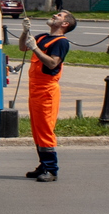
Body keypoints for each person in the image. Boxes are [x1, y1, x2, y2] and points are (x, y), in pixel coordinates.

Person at [20, 10, 76, 181]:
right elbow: (23, 47)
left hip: (47, 91)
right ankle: (43, 165)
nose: (54, 16)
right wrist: (24, 32)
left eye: (59, 16)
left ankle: (51, 170)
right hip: (35, 89)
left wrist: (35, 48)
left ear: (65, 24)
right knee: (37, 130)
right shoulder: (43, 37)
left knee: (45, 130)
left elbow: (52, 63)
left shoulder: (61, 42)